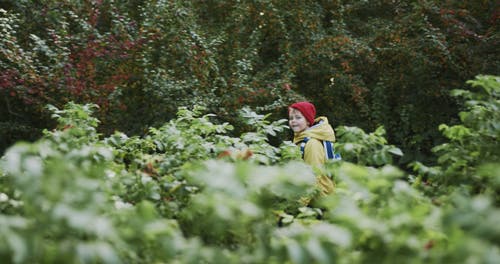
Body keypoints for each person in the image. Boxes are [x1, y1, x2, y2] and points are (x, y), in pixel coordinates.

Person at [288, 101, 336, 198]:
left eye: (298, 117)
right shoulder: (300, 140)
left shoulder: (312, 143)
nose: (293, 121)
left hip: (321, 199)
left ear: (308, 121)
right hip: (310, 198)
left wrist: (299, 205)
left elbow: (313, 176)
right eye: (291, 118)